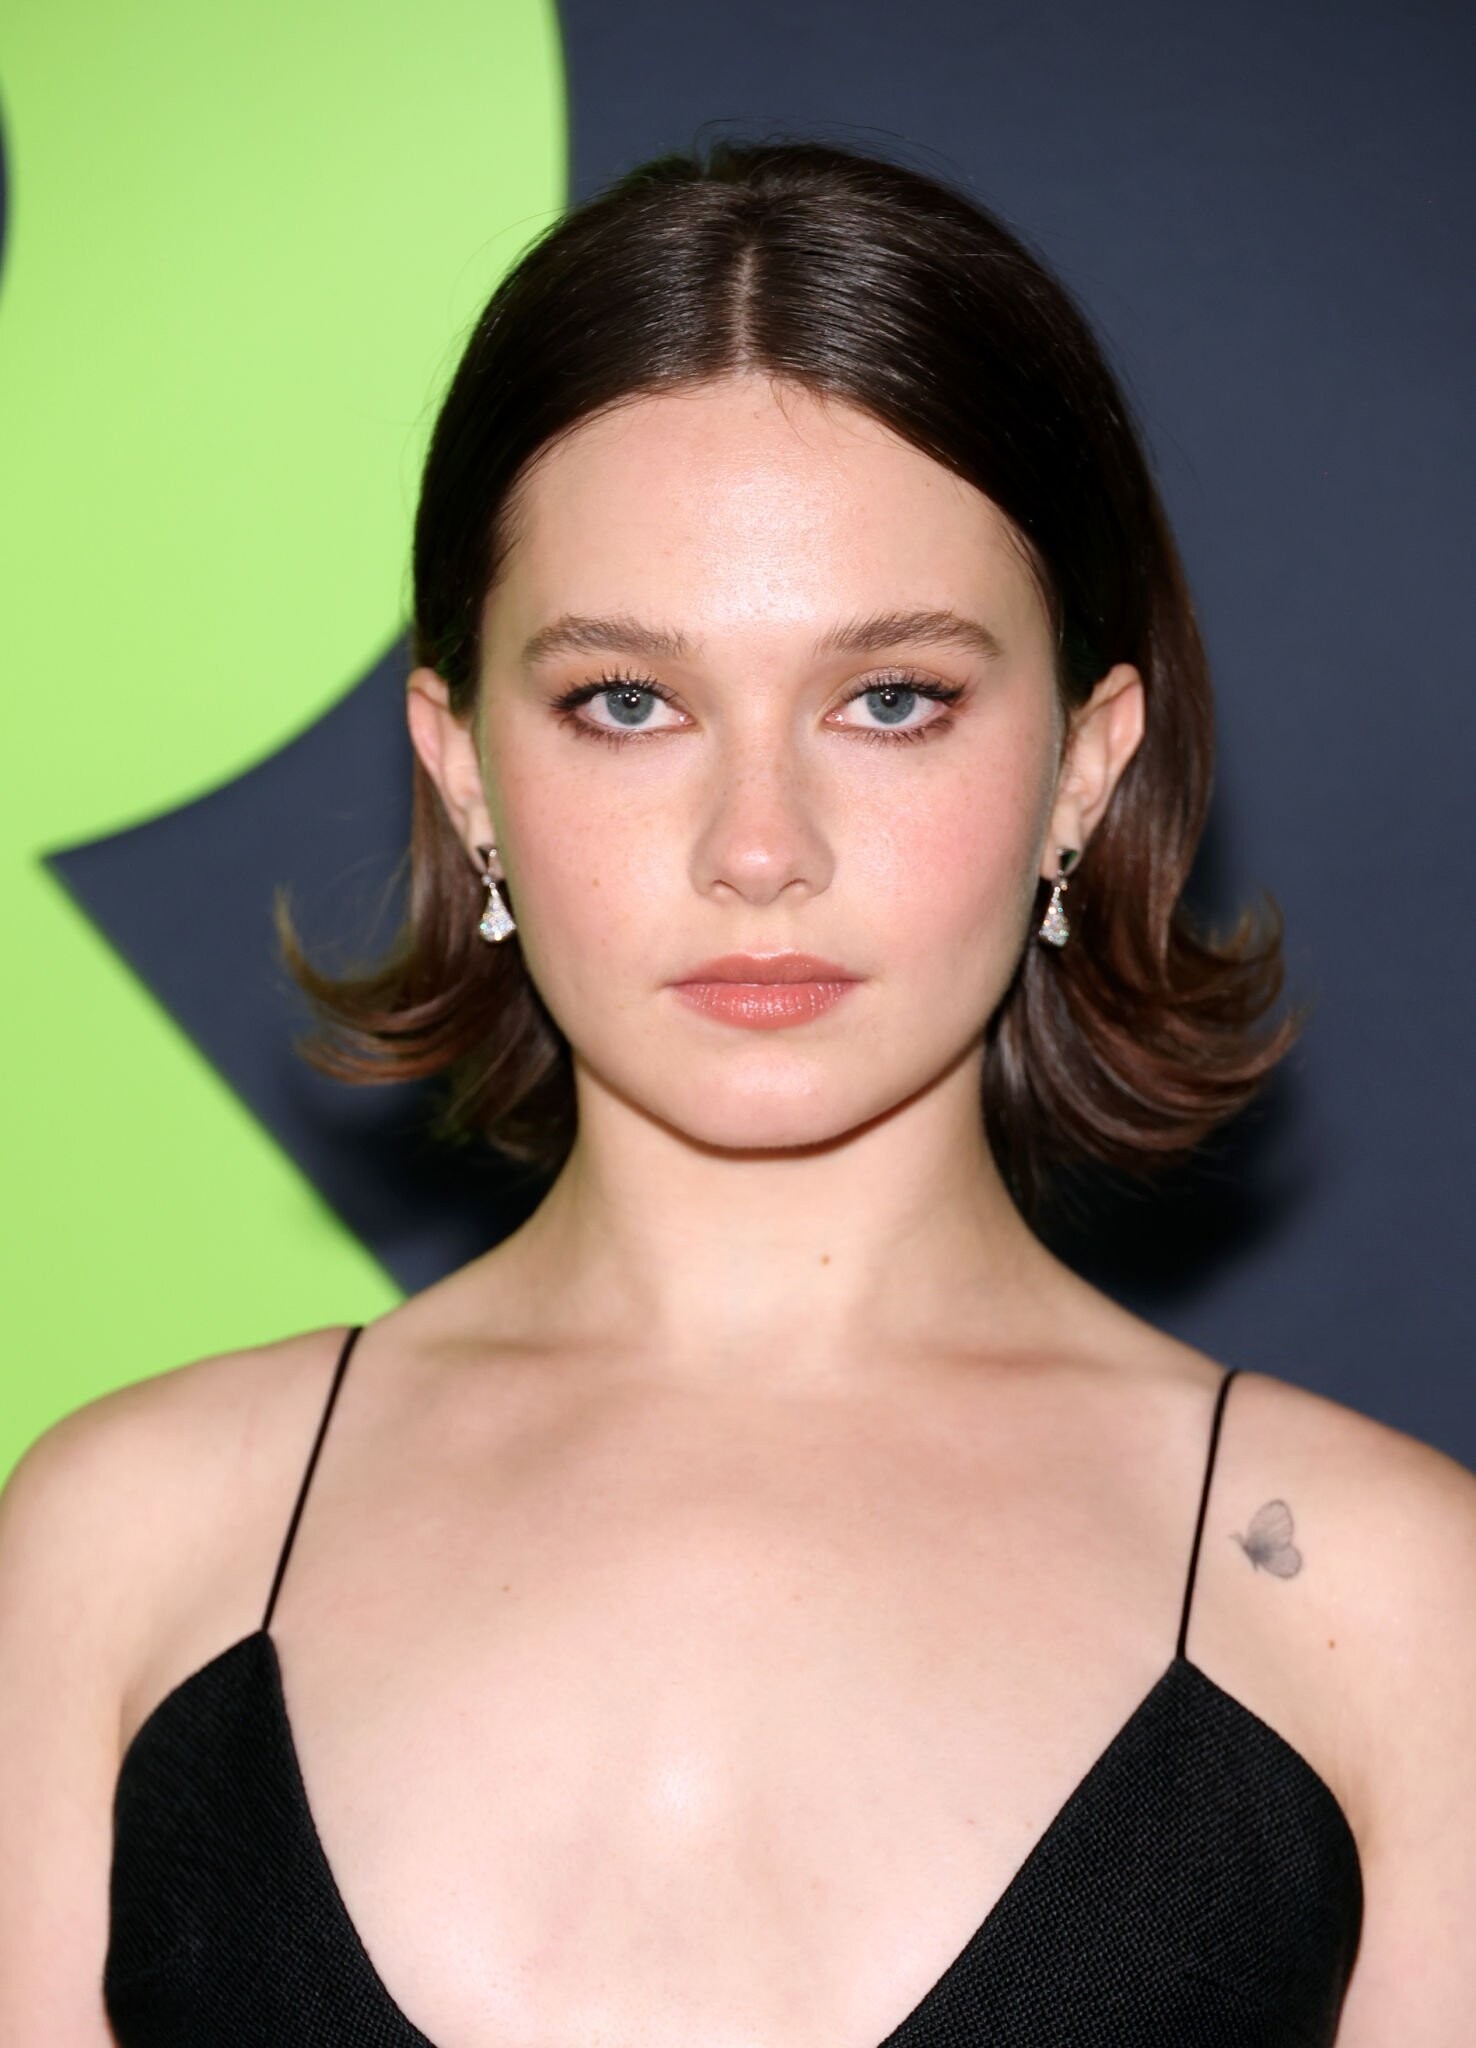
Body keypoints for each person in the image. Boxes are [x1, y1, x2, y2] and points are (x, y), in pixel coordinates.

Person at [1, 136, 1473, 2048]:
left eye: (892, 699)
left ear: (1086, 769)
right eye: (628, 702)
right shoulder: (125, 1550)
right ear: (463, 769)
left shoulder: (1389, 1613)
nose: (758, 847)